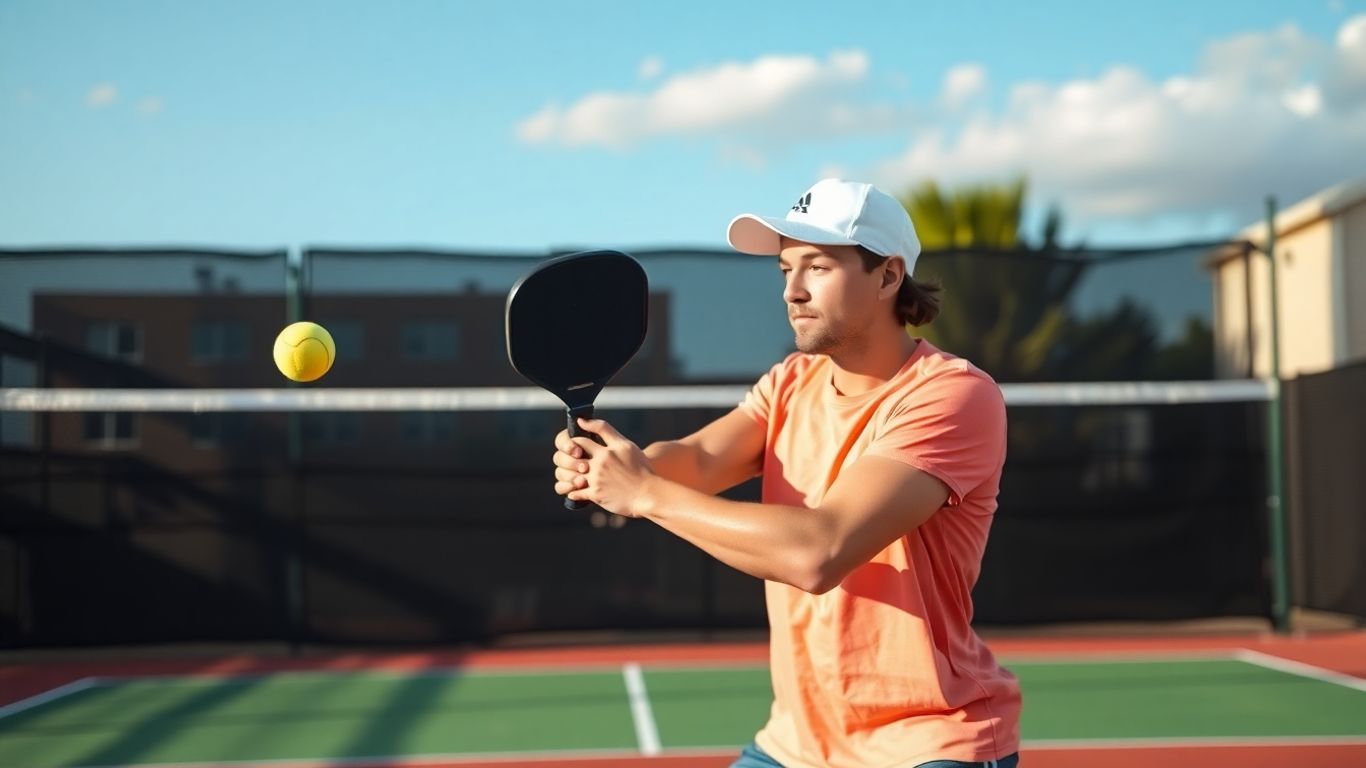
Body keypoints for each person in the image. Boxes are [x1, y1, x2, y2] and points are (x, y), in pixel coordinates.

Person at [552, 178, 1021, 768]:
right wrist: (612, 465)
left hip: (926, 742)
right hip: (794, 745)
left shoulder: (954, 397)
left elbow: (818, 552)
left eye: (818, 267)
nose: (792, 292)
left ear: (888, 276)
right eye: (783, 271)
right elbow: (696, 461)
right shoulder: (791, 383)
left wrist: (643, 493)